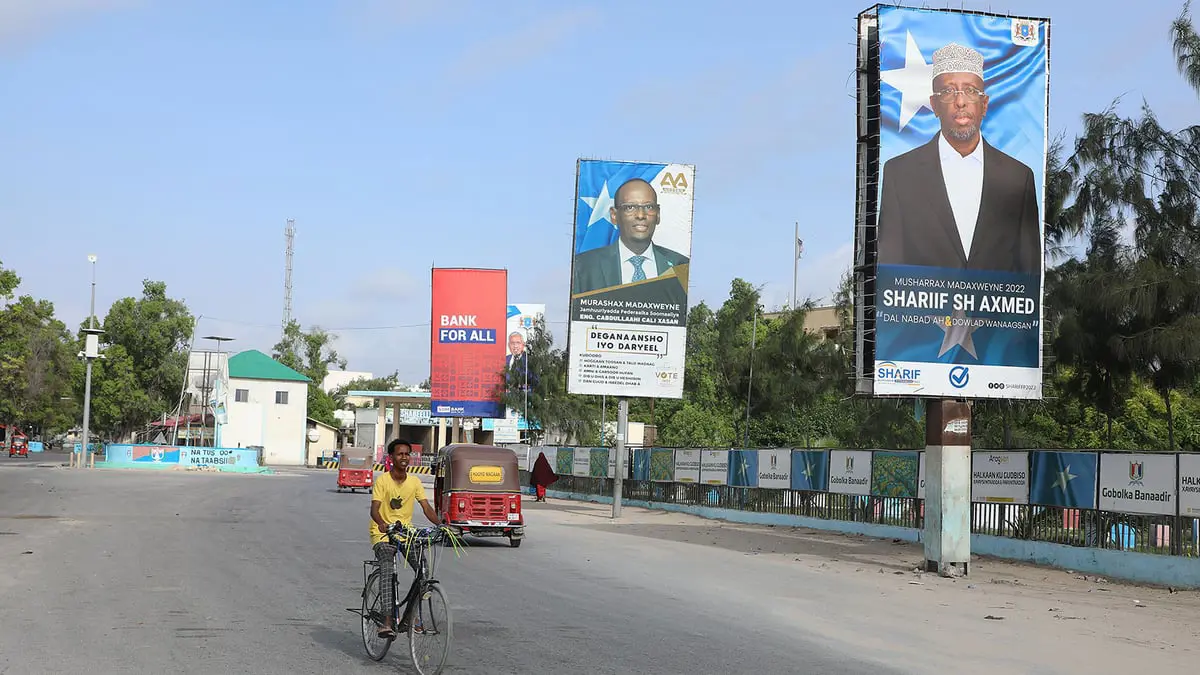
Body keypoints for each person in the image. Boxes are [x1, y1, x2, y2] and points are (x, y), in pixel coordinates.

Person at [877, 42, 1042, 276]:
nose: (960, 102)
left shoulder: (1018, 177)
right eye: (948, 91)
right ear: (934, 104)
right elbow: (891, 270)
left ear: (984, 104)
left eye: (971, 90)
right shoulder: (900, 174)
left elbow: (1029, 273)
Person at [370, 438, 441, 638]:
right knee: (387, 568)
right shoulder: (383, 481)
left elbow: (426, 507)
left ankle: (410, 616)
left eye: (407, 454)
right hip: (383, 534)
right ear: (391, 457)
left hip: (405, 534)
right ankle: (386, 621)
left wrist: (441, 525)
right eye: (400, 454)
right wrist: (382, 523)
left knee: (423, 570)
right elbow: (374, 509)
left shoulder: (415, 482)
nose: (404, 457)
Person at [571, 178, 690, 295]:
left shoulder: (680, 265)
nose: (640, 215)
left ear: (658, 214)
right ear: (614, 215)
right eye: (630, 207)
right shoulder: (584, 266)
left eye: (648, 207)